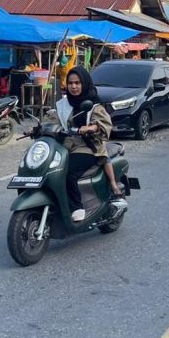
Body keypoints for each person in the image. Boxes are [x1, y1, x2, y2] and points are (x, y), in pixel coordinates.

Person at [48, 67, 123, 222]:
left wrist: (91, 128)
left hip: (88, 147)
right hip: (64, 147)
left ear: (85, 84)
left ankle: (77, 207)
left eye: (77, 83)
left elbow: (103, 124)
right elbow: (53, 121)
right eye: (70, 83)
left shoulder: (94, 105)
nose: (74, 87)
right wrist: (39, 128)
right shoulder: (62, 104)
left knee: (66, 171)